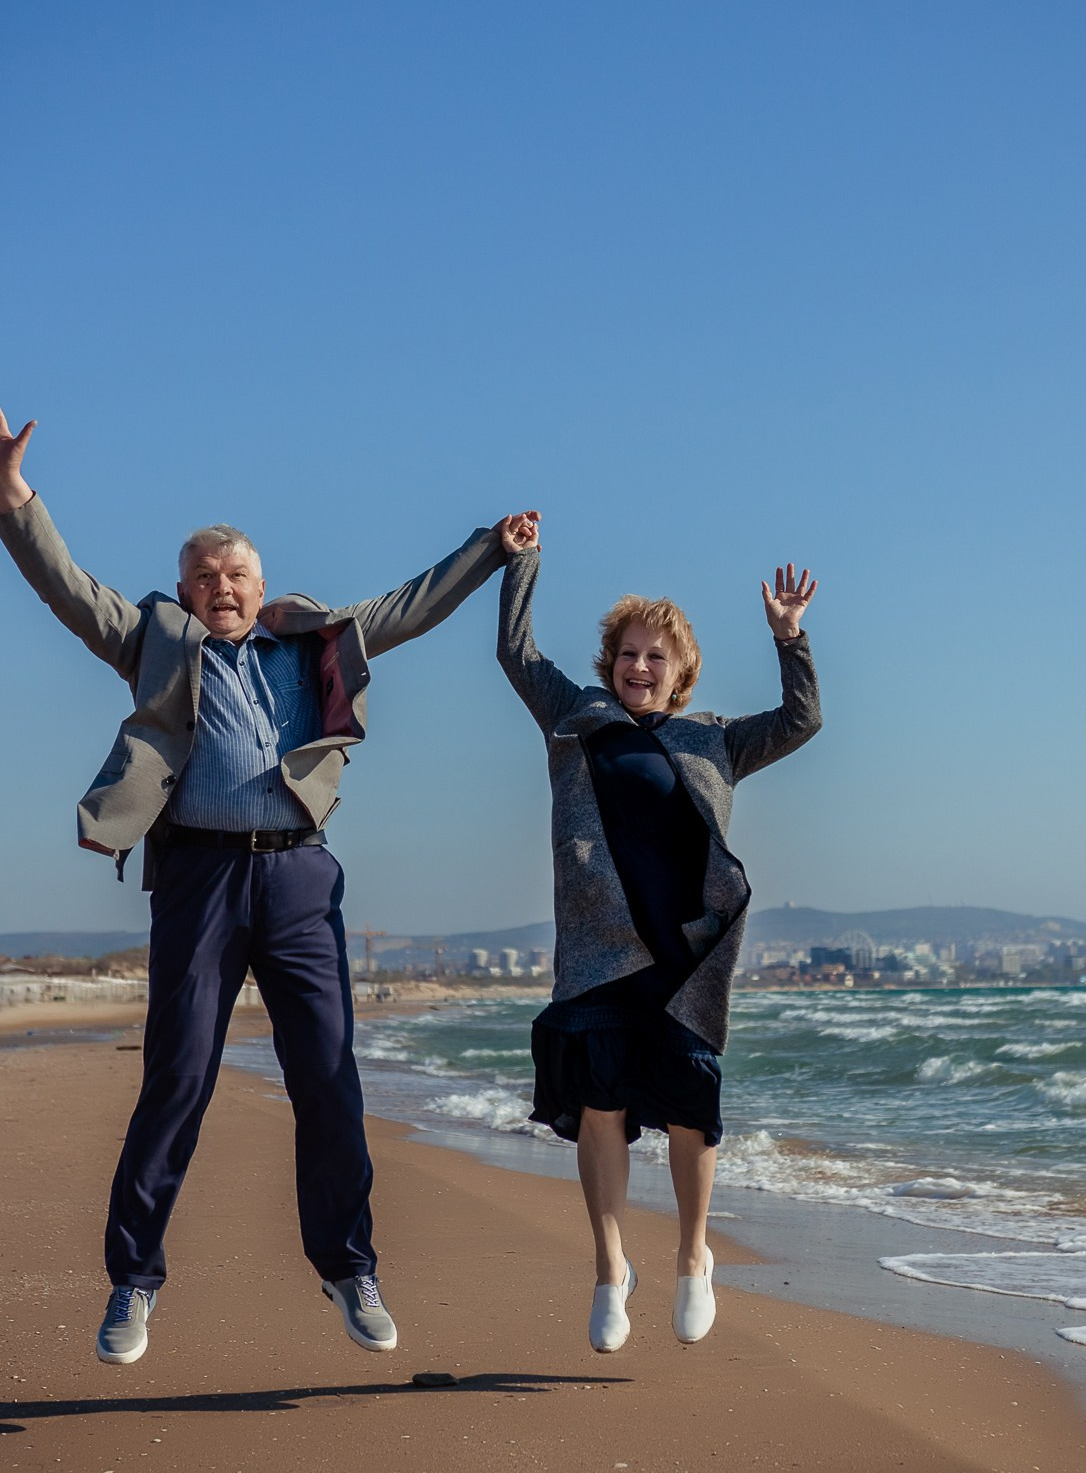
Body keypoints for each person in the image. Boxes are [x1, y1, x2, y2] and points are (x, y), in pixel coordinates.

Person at [0, 406, 539, 1366]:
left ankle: (348, 1265)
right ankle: (134, 1281)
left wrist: (490, 549)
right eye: (204, 577)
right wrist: (14, 500)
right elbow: (69, 590)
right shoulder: (154, 641)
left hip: (296, 876)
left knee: (329, 1079)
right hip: (200, 879)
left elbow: (414, 603)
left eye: (236, 574)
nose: (222, 588)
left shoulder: (315, 641)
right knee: (176, 1082)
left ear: (261, 583)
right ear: (182, 590)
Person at [496, 532, 821, 1352]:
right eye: (628, 653)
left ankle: (691, 1257)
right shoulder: (576, 722)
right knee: (599, 1108)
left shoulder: (717, 739)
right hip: (598, 953)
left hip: (684, 961)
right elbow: (515, 650)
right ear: (609, 663)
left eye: (657, 656)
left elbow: (802, 719)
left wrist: (790, 638)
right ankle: (611, 1271)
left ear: (683, 670)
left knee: (689, 1115)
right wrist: (520, 562)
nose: (640, 667)